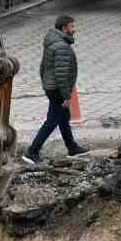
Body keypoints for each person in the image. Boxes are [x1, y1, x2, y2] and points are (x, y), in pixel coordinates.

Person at [23, 15, 89, 165]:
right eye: (72, 27)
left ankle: (72, 148)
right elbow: (62, 74)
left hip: (51, 86)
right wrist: (66, 96)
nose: (74, 29)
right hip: (58, 89)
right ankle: (32, 152)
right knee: (52, 121)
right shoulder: (61, 47)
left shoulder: (52, 41)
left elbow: (43, 67)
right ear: (64, 28)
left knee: (64, 118)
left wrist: (46, 83)